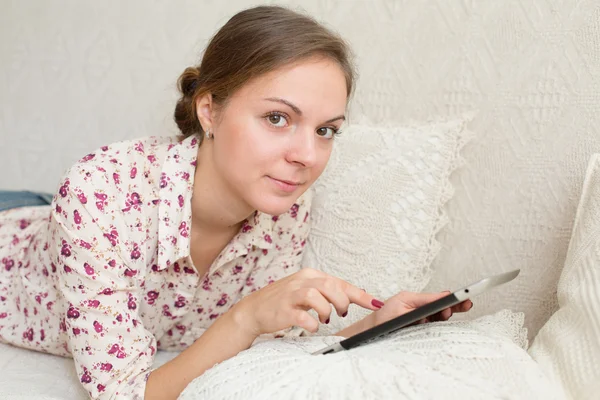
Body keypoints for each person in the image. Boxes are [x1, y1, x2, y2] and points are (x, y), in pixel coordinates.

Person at [0, 5, 472, 400]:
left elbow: (263, 352)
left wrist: (373, 325)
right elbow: (124, 394)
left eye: (326, 130)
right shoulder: (100, 190)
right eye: (277, 117)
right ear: (209, 110)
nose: (307, 156)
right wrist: (243, 317)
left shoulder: (283, 205)